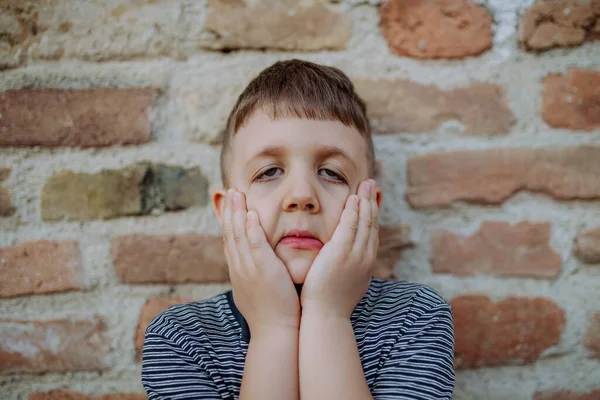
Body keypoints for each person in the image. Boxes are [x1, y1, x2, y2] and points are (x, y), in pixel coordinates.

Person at [141, 59, 455, 400]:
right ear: (226, 208)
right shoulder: (182, 338)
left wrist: (328, 317)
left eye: (333, 173)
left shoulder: (415, 318)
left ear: (370, 208)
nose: (303, 195)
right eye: (269, 172)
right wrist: (273, 329)